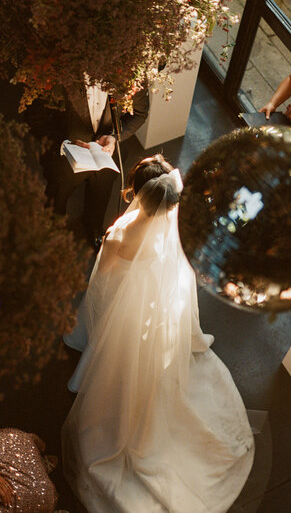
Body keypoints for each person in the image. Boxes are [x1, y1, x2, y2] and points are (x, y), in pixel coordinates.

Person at [61, 154, 255, 513]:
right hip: (155, 302)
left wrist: (108, 243)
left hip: (124, 297)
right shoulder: (174, 220)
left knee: (114, 346)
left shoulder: (123, 231)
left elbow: (104, 275)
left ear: (138, 194)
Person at [24, 83, 149, 248]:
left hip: (106, 157)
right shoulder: (55, 71)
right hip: (64, 159)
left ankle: (94, 227)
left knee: (100, 194)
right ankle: (52, 233)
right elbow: (34, 119)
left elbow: (139, 112)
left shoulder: (130, 71)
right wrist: (63, 145)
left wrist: (114, 137)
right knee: (57, 197)